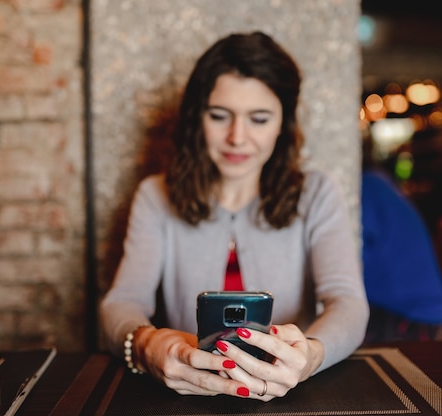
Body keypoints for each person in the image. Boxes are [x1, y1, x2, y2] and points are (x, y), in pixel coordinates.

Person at [99, 31, 369, 401]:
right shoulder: (155, 196)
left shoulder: (317, 194)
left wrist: (309, 356)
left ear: (283, 124)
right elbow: (121, 302)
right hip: (185, 397)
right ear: (197, 117)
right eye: (219, 115)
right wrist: (147, 345)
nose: (237, 137)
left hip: (288, 397)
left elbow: (348, 302)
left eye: (259, 119)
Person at [360, 168, 442, 342]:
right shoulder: (377, 182)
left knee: (332, 340)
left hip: (411, 319)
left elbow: (348, 266)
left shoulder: (362, 190)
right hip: (408, 310)